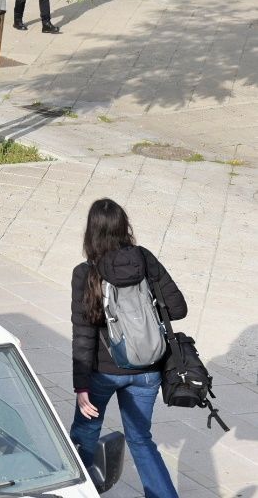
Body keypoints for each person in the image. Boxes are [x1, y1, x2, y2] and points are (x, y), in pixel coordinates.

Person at [70, 198, 186, 498]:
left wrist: (81, 386)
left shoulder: (86, 272)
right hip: (148, 370)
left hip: (102, 374)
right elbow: (178, 308)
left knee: (84, 437)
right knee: (140, 440)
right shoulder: (145, 260)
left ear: (91, 232)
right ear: (125, 227)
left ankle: (75, 492)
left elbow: (84, 334)